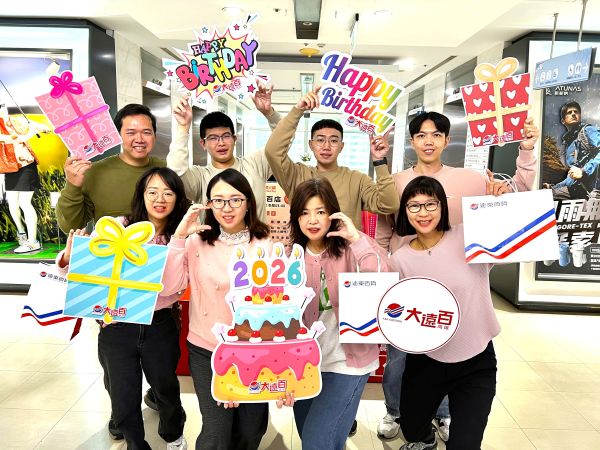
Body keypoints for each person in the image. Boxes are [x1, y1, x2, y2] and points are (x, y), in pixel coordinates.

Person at [375, 110, 539, 441]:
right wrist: (381, 274)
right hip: (408, 281)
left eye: (436, 134)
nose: (429, 141)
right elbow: (382, 233)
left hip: (462, 275)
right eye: (421, 135)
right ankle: (397, 411)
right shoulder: (394, 182)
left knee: (457, 346)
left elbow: (514, 198)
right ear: (412, 141)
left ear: (447, 140)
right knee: (402, 360)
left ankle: (446, 414)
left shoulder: (471, 179)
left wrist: (525, 150)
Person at [55, 103, 174, 440]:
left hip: (156, 279)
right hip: (111, 281)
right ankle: (121, 411)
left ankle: (160, 399)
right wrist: (73, 185)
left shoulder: (163, 169)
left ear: (155, 135)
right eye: (131, 131)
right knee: (116, 358)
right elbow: (70, 222)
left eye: (146, 131)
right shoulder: (95, 171)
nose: (139, 138)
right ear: (118, 134)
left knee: (160, 353)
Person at [161, 168, 275, 450]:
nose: (227, 208)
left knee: (251, 429)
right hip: (207, 349)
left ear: (248, 202)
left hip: (255, 351)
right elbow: (169, 287)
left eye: (235, 200)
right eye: (219, 200)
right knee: (216, 431)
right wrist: (179, 236)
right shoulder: (196, 242)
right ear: (209, 205)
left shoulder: (266, 244)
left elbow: (277, 303)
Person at [390, 176, 500, 450]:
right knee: (412, 428)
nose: (423, 212)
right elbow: (394, 312)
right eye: (414, 206)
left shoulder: (468, 236)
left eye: (431, 204)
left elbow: (513, 236)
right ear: (405, 211)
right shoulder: (399, 259)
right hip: (426, 359)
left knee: (466, 443)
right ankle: (426, 439)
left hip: (476, 358)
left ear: (442, 206)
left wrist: (497, 206)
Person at [288, 177, 389, 450]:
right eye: (304, 212)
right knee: (317, 437)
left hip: (348, 361)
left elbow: (385, 276)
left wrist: (356, 238)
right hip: (305, 365)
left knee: (316, 442)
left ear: (332, 214)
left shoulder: (352, 248)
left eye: (320, 211)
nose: (312, 220)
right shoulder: (290, 257)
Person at [265, 86, 399, 231]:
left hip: (347, 245)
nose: (326, 146)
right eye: (320, 140)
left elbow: (389, 205)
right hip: (306, 245)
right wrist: (297, 111)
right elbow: (273, 151)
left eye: (334, 141)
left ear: (342, 146)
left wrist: (379, 161)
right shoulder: (297, 175)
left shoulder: (357, 180)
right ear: (311, 144)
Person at [167, 85, 281, 220]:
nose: (221, 143)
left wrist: (270, 114)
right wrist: (183, 128)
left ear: (234, 139)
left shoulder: (256, 164)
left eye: (226, 136)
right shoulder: (199, 177)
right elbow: (175, 174)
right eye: (213, 138)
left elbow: (282, 142)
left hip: (256, 234)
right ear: (203, 144)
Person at [0, 102, 50, 253]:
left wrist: (40, 127)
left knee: (24, 202)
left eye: (3, 108)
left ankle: (33, 242)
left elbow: (35, 125)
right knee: (12, 204)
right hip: (10, 167)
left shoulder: (15, 120)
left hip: (26, 165)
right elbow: (11, 138)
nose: (3, 111)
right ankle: (22, 233)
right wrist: (31, 132)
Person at [547, 101, 600, 199]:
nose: (573, 114)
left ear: (580, 116)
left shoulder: (588, 131)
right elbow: (571, 179)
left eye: (576, 112)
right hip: (577, 191)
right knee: (546, 196)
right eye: (569, 112)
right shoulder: (568, 144)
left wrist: (584, 171)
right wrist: (552, 187)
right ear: (563, 121)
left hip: (593, 191)